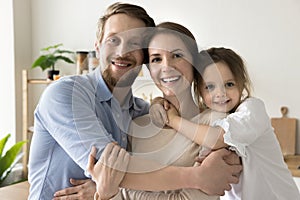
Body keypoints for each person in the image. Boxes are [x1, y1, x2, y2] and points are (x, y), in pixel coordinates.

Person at [28, 2, 241, 199]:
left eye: (134, 43)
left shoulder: (141, 113)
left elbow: (116, 182)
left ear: (142, 58)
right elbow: (108, 168)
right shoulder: (65, 94)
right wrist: (197, 176)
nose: (122, 52)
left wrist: (110, 192)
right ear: (98, 46)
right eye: (113, 40)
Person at [87, 22, 242, 200]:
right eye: (156, 59)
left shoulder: (216, 124)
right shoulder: (136, 126)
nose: (166, 66)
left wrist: (109, 190)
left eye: (177, 55)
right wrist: (110, 191)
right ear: (149, 69)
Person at [155, 47, 300, 199]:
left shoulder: (251, 109)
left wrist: (172, 120)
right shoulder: (210, 118)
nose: (220, 93)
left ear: (242, 83)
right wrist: (160, 103)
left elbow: (217, 138)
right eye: (210, 86)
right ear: (200, 91)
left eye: (229, 84)